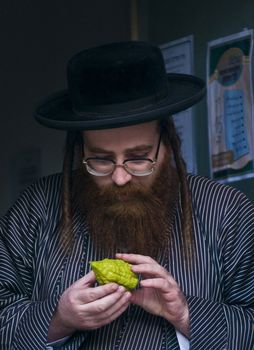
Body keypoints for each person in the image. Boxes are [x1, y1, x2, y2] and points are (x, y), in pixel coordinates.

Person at [0, 41, 253, 350]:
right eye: (101, 159)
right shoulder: (34, 209)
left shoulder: (227, 211)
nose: (120, 177)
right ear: (79, 149)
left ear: (168, 141)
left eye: (138, 157)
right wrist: (57, 320)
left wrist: (186, 313)